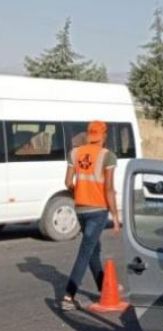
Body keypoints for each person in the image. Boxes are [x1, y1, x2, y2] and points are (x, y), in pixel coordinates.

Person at [61, 121, 120, 310]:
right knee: (85, 252)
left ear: (88, 134)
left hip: (80, 209)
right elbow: (109, 189)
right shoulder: (107, 156)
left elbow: (68, 182)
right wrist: (116, 217)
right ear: (103, 135)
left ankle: (104, 287)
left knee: (93, 249)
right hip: (98, 210)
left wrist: (80, 192)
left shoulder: (75, 153)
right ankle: (69, 296)